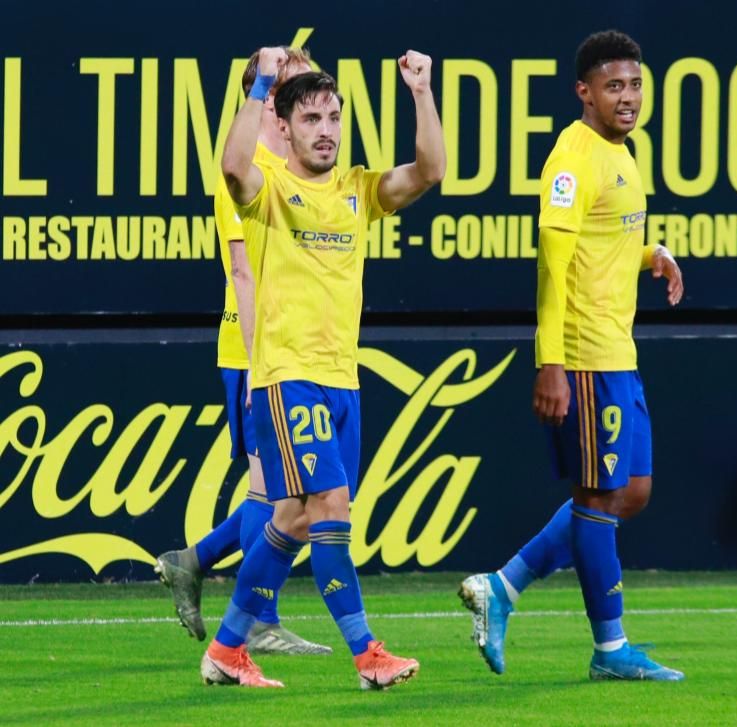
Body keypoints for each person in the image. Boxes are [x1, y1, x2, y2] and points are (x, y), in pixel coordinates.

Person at [199, 47, 444, 689]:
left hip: (343, 380)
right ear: (285, 125)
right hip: (288, 375)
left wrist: (421, 91)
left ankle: (226, 650)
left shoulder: (357, 189)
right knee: (330, 506)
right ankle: (368, 655)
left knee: (294, 519)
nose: (327, 129)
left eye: (334, 116)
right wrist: (261, 88)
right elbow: (231, 165)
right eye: (311, 118)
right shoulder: (269, 189)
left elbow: (430, 169)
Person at [459, 30, 685, 682]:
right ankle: (610, 649)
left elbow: (605, 239)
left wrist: (650, 255)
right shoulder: (571, 159)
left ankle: (503, 584)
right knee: (595, 497)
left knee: (630, 493)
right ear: (583, 91)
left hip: (620, 352)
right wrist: (550, 361)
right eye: (614, 86)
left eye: (635, 84)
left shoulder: (623, 152)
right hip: (584, 355)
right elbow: (553, 263)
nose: (628, 97)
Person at [155, 47, 330, 656]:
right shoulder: (246, 163)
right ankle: (254, 619)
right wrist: (262, 366)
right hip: (256, 348)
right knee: (286, 497)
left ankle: (194, 562)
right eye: (291, 84)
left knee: (287, 496)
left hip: (297, 347)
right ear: (266, 95)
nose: (303, 101)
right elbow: (244, 274)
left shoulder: (298, 163)